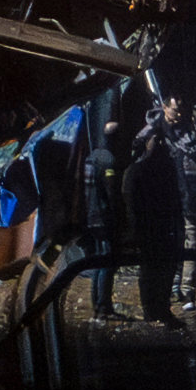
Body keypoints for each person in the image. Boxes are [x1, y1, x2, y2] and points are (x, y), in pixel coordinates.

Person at [133, 95, 196, 312]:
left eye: (181, 110)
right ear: (164, 108)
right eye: (174, 110)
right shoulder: (153, 129)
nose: (178, 115)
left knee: (189, 240)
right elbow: (138, 151)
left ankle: (182, 287)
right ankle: (174, 287)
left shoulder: (187, 131)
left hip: (184, 193)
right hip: (163, 196)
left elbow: (194, 157)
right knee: (173, 241)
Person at [123, 133, 183, 325]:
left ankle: (158, 309)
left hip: (158, 227)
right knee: (153, 270)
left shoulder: (162, 170)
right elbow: (131, 203)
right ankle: (153, 310)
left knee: (159, 269)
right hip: (153, 227)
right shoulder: (141, 170)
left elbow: (175, 199)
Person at [84, 122, 122, 322]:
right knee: (107, 262)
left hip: (91, 218)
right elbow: (111, 191)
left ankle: (97, 305)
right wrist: (118, 216)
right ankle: (103, 307)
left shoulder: (92, 156)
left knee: (99, 261)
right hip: (103, 218)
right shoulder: (108, 160)